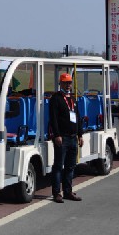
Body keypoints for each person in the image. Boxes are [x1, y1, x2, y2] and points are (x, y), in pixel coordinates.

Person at [48, 72, 83, 203]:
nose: (68, 85)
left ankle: (68, 191)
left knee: (70, 166)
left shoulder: (72, 99)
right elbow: (53, 118)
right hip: (62, 138)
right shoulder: (56, 98)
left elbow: (77, 117)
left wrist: (80, 134)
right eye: (65, 83)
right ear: (60, 83)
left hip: (73, 137)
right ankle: (56, 193)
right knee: (58, 166)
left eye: (69, 83)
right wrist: (57, 135)